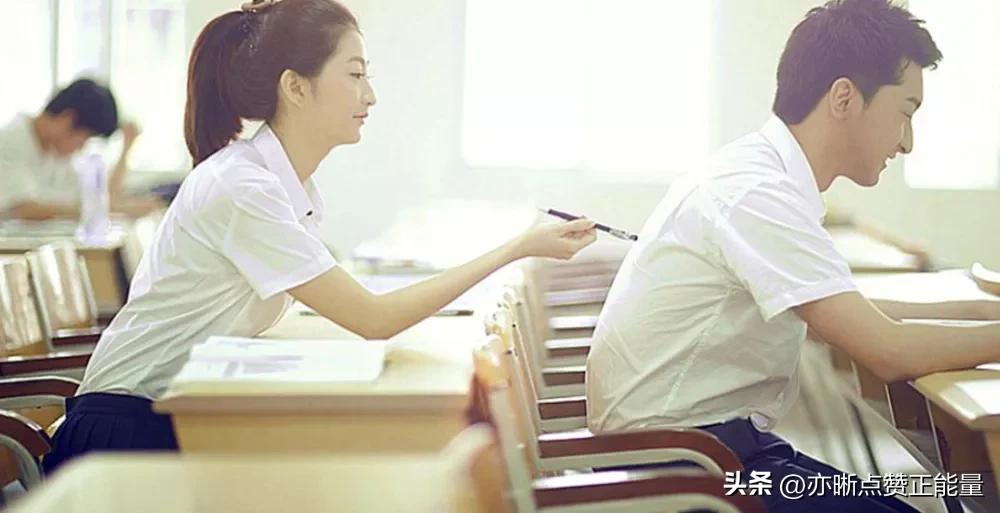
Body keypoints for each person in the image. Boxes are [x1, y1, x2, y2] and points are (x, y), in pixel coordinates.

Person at [42, 0, 596, 473]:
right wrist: (515, 248)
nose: (370, 96)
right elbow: (374, 319)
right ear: (295, 87)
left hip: (174, 414)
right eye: (355, 75)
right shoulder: (243, 187)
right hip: (122, 433)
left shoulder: (283, 184)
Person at [585, 1, 999, 511]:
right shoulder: (756, 192)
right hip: (692, 470)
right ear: (844, 98)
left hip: (716, 452)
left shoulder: (760, 176)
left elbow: (851, 314)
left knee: (924, 496)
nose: (907, 142)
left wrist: (980, 311)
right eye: (906, 113)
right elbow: (887, 350)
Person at [0, 79, 163, 220]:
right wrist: (106, 211)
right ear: (67, 119)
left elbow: (99, 199)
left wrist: (127, 148)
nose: (81, 147)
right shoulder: (11, 141)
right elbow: (26, 209)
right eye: (85, 138)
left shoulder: (57, 153)